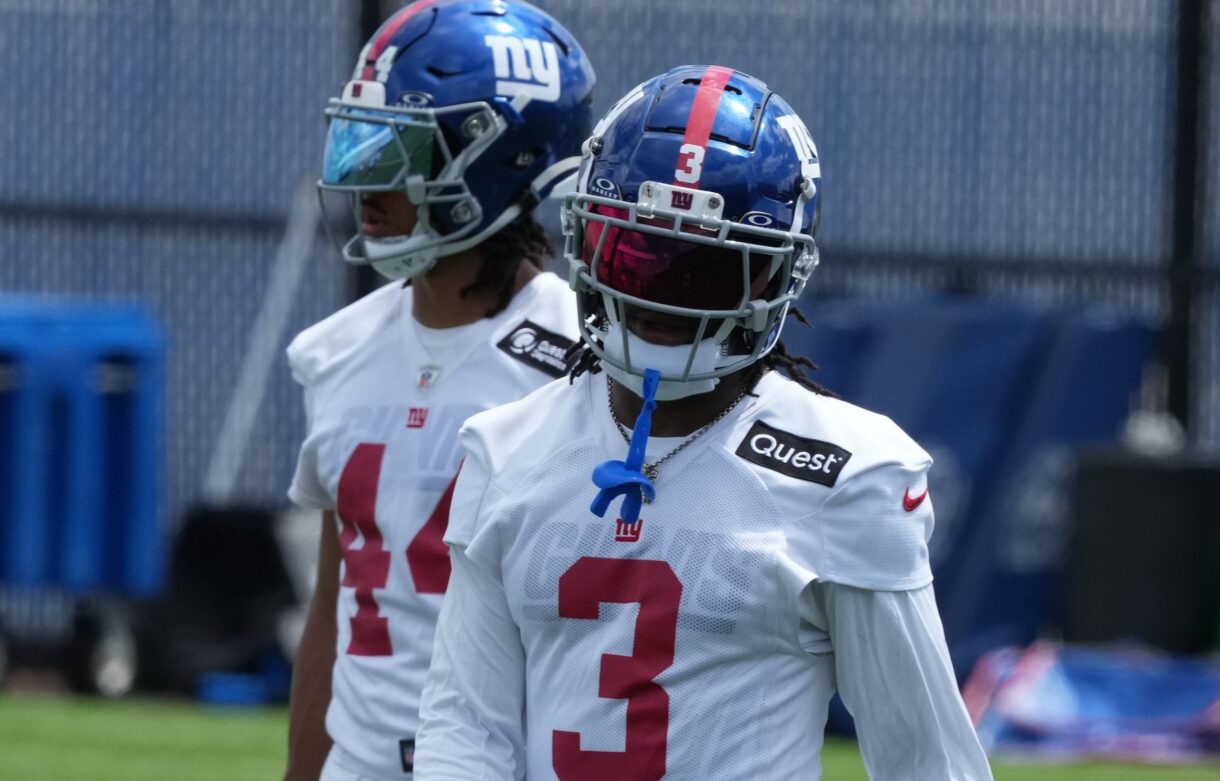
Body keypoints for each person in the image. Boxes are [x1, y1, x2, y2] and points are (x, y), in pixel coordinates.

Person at [414, 65, 994, 780]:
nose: (666, 292)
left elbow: (925, 759)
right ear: (587, 243)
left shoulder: (849, 473)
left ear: (776, 275)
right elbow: (466, 729)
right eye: (639, 254)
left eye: (707, 266)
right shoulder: (506, 447)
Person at [282, 2, 595, 780]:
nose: (366, 175)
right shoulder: (335, 352)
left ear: (502, 159)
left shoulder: (583, 364)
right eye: (363, 137)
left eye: (404, 146)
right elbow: (335, 603)